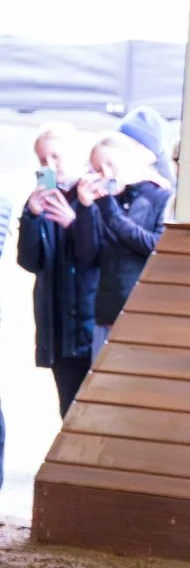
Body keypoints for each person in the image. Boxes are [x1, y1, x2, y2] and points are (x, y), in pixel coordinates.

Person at [69, 131, 170, 366]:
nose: (105, 174)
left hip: (144, 316)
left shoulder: (159, 197)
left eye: (109, 164)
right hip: (106, 314)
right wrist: (85, 207)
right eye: (96, 169)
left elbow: (154, 246)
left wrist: (109, 210)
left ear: (128, 159)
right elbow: (87, 256)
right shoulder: (103, 201)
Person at [18, 123, 98, 416]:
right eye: (42, 160)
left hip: (88, 323)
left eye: (56, 157)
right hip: (57, 327)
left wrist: (74, 223)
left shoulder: (92, 195)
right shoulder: (45, 200)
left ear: (76, 156)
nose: (49, 166)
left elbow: (94, 257)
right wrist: (31, 217)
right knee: (68, 408)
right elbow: (29, 261)